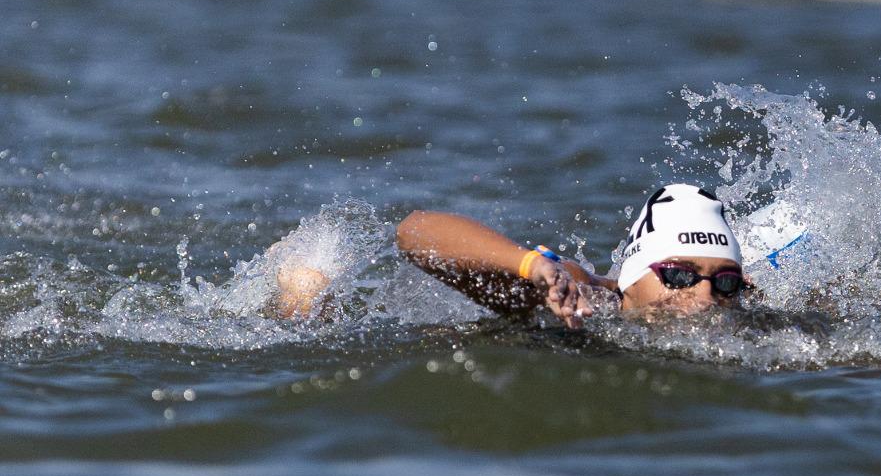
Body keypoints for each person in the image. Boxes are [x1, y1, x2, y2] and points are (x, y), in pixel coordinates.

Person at [270, 183, 753, 330]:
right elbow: (413, 231)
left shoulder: (745, 317)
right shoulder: (579, 297)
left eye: (724, 281)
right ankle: (304, 291)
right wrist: (532, 267)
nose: (704, 297)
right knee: (307, 320)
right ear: (632, 275)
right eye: (678, 275)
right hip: (425, 342)